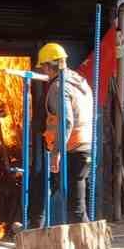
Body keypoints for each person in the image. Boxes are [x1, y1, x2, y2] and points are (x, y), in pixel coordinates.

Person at [35, 43, 93, 223]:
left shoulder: (59, 87)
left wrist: (56, 153)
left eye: (43, 67)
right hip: (83, 146)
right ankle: (35, 226)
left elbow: (66, 121)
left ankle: (84, 247)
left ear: (47, 65)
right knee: (44, 186)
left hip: (70, 149)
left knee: (76, 209)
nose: (43, 72)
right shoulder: (79, 81)